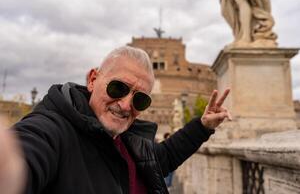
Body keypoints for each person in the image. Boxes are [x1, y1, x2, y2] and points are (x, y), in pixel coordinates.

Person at [1, 46, 232, 194]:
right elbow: (25, 156)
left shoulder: (128, 141)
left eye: (139, 100)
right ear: (93, 79)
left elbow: (164, 157)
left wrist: (203, 127)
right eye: (118, 88)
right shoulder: (53, 130)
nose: (124, 105)